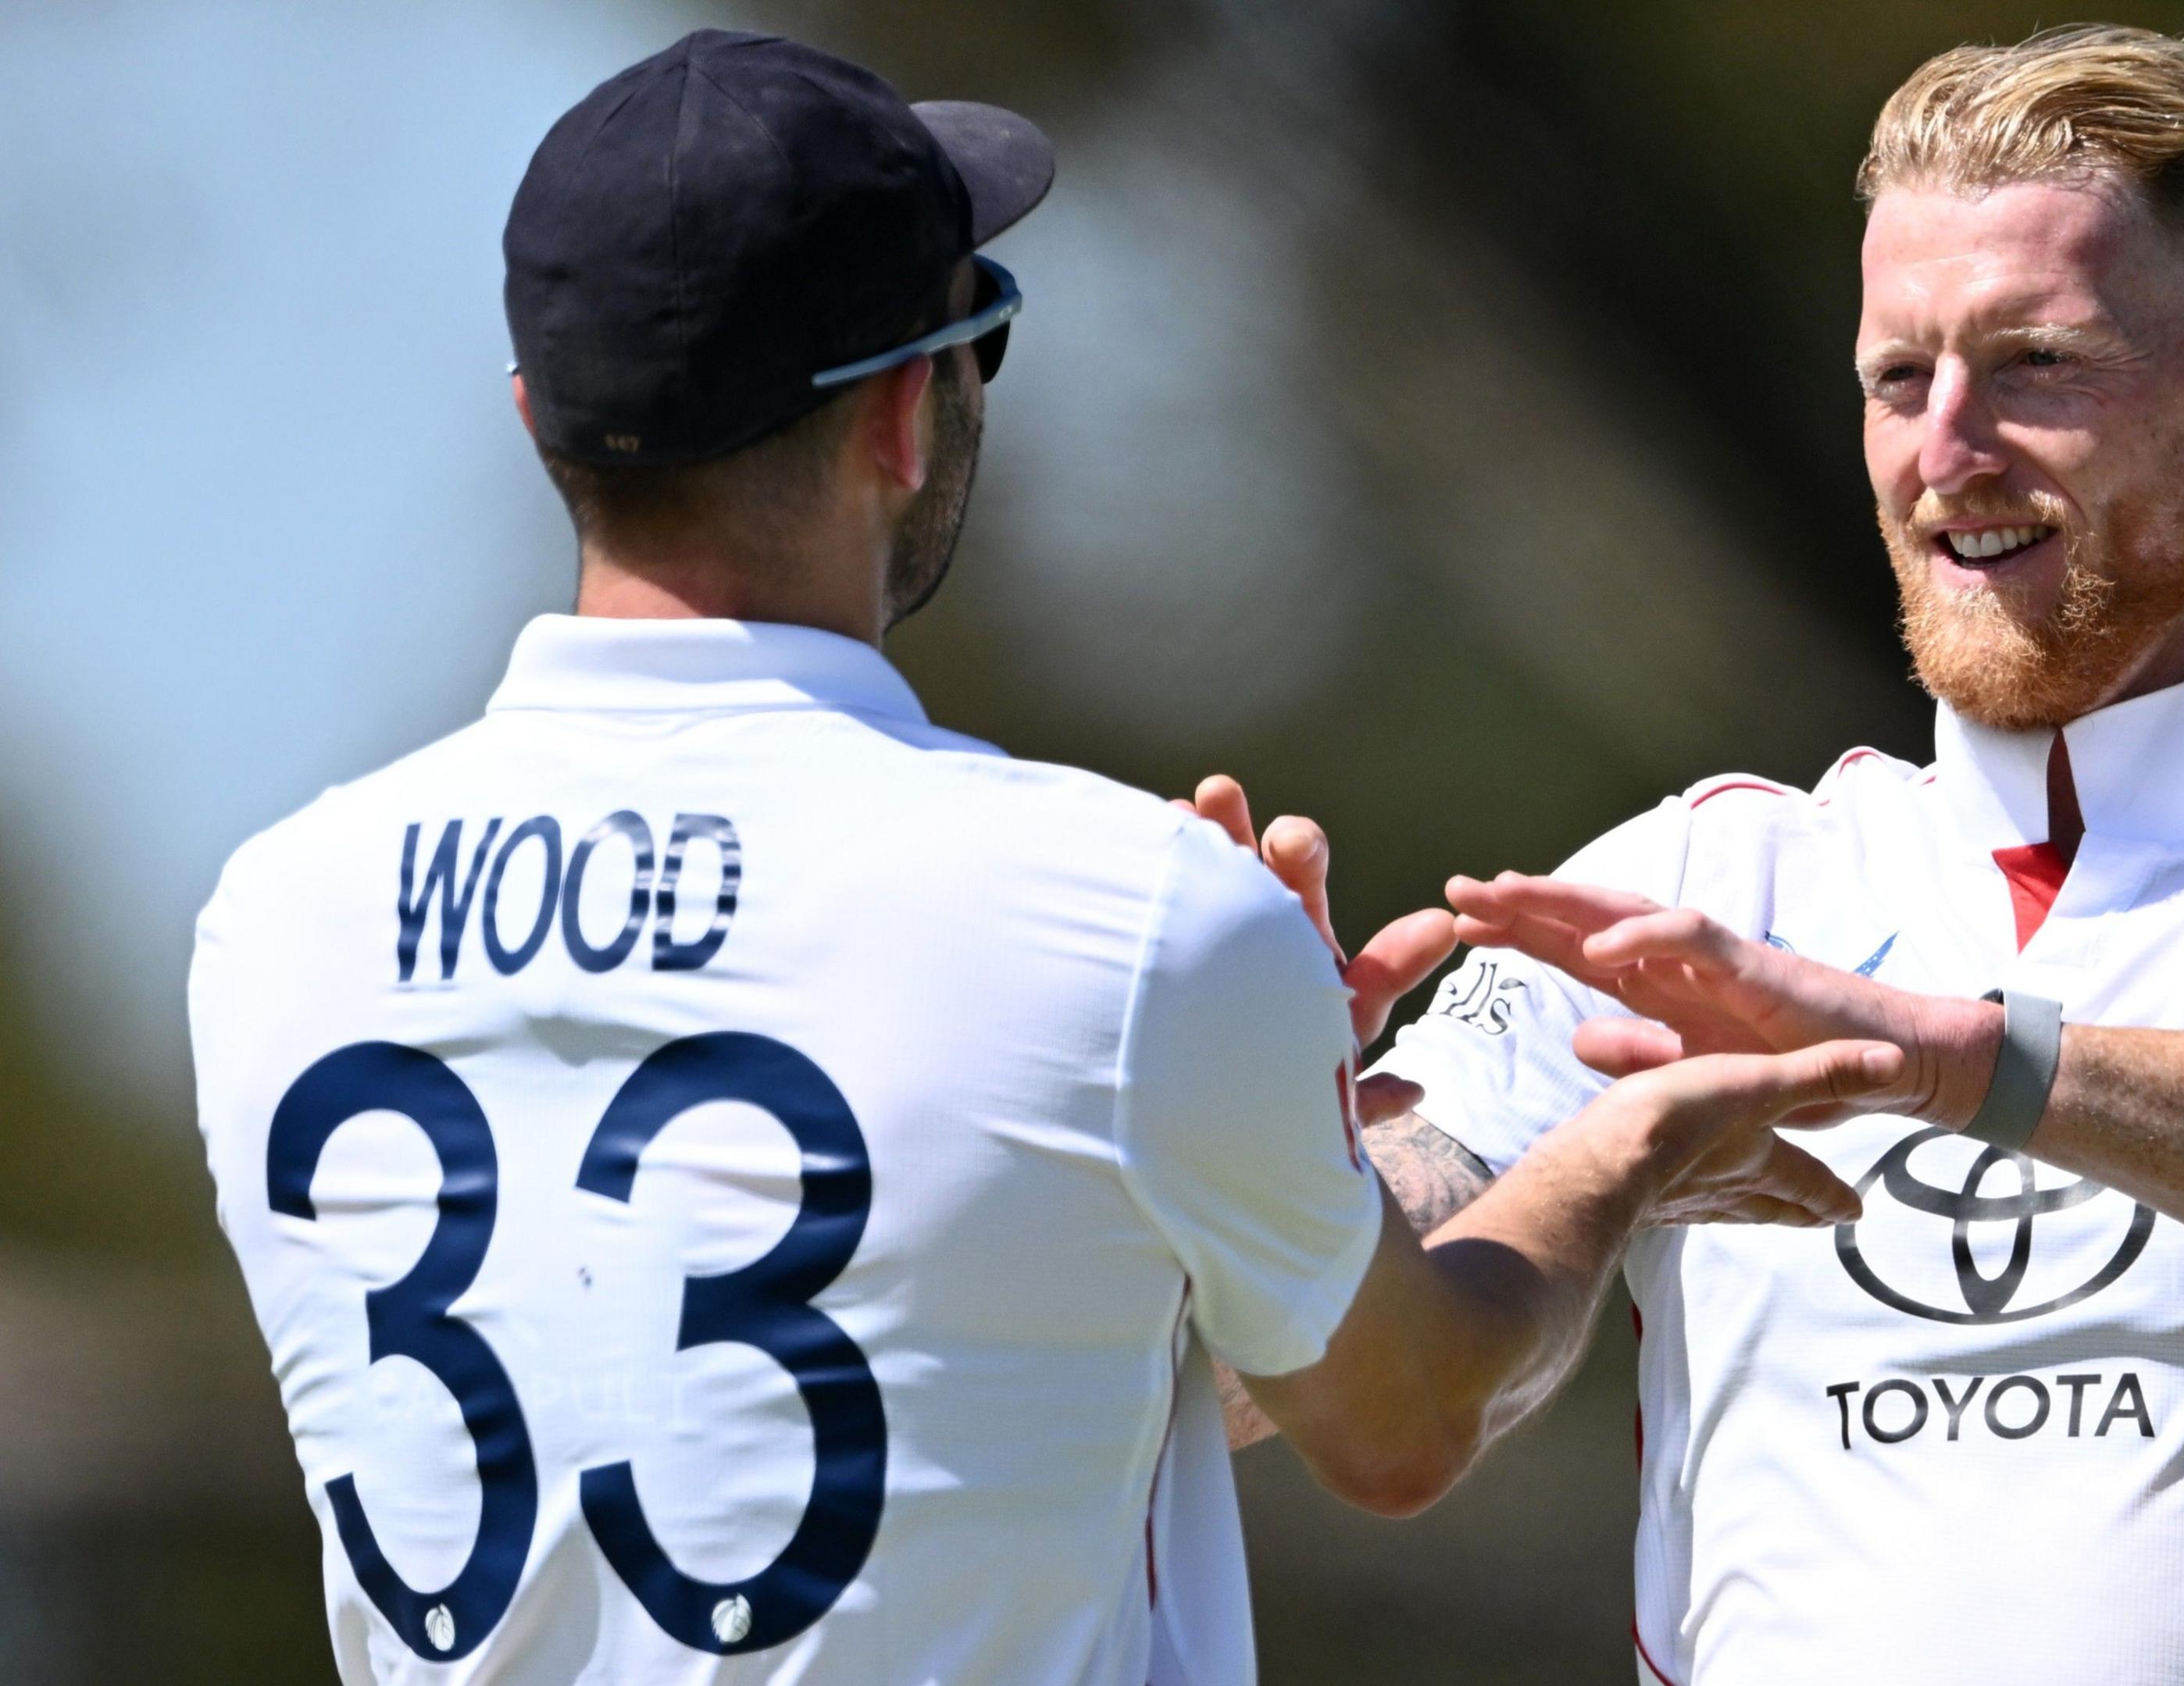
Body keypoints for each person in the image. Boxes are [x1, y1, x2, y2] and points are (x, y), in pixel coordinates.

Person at [187, 30, 1907, 1684]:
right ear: (903, 418)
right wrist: (1624, 1154)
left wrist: (1225, 1123)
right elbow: (1402, 1420)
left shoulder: (273, 918)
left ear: (538, 420)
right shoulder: (1123, 910)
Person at [1236, 23, 2184, 1684]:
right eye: (1898, 379)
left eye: (2037, 365)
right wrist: (1239, 1132)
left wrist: (1968, 1061)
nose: (1945, 451)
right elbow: (1299, 1389)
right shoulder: (1699, 882)